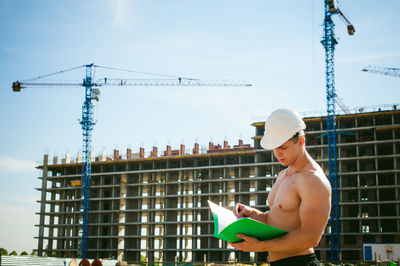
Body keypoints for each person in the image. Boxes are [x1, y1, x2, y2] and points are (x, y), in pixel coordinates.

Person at [229, 108, 332, 266]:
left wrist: (261, 246)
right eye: (274, 148)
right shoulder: (284, 174)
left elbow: (311, 237)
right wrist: (251, 213)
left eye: (283, 148)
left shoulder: (312, 180)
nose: (278, 154)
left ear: (301, 141)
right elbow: (275, 219)